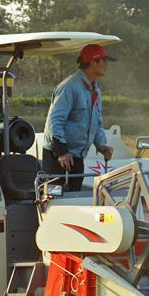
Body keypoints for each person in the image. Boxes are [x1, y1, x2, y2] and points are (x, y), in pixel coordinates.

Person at [42, 44, 114, 192]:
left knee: (75, 198)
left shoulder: (95, 90)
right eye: (103, 61)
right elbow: (55, 120)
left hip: (77, 155)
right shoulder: (70, 87)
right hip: (58, 156)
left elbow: (97, 122)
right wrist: (61, 152)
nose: (106, 65)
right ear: (93, 62)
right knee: (56, 201)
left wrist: (101, 145)